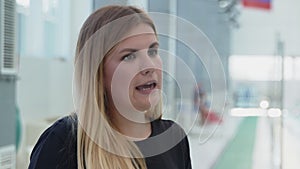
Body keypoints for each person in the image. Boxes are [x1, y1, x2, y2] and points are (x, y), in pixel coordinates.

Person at [28, 5, 192, 169]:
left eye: (153, 51)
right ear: (97, 72)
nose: (149, 66)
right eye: (129, 56)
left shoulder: (173, 138)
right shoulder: (62, 143)